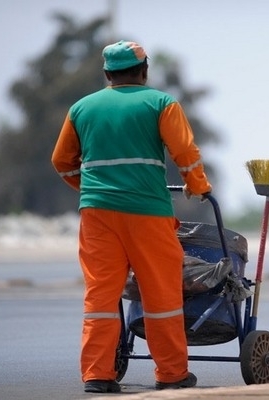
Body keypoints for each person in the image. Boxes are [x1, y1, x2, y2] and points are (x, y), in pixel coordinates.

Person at [51, 40, 212, 393]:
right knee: (161, 293)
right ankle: (171, 374)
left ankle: (97, 374)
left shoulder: (82, 108)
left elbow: (62, 162)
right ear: (144, 71)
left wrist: (91, 191)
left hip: (97, 216)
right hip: (147, 213)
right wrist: (199, 186)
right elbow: (184, 151)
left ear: (107, 74)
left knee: (101, 295)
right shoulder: (160, 103)